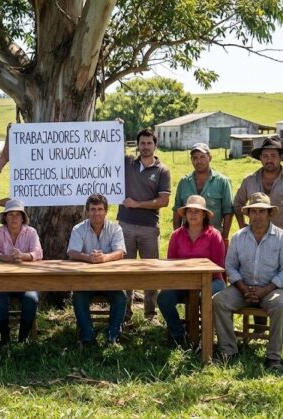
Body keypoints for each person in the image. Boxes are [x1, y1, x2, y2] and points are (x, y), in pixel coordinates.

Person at [232, 136, 283, 342]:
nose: (269, 159)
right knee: (254, 279)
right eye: (265, 155)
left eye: (273, 156)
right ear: (260, 159)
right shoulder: (250, 180)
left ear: (280, 158)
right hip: (254, 240)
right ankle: (259, 331)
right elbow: (237, 203)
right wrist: (243, 228)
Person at [213, 192, 283, 370]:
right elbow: (230, 266)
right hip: (243, 288)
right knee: (218, 301)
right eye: (254, 212)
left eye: (262, 211)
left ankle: (273, 357)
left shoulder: (282, 238)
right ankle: (228, 351)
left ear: (269, 213)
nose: (257, 216)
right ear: (248, 214)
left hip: (271, 289)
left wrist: (265, 290)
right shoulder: (239, 237)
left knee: (281, 305)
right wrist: (242, 288)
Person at [118, 128, 171, 322]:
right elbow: (109, 148)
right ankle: (125, 312)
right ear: (137, 145)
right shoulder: (127, 162)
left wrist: (137, 204)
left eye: (149, 143)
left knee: (151, 269)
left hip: (149, 227)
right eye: (142, 143)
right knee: (125, 270)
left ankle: (150, 313)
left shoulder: (162, 170)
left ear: (155, 145)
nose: (146, 147)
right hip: (125, 224)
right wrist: (117, 129)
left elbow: (164, 201)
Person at [158, 195, 226, 347]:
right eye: (190, 211)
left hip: (212, 280)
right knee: (163, 298)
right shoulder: (176, 235)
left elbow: (218, 265)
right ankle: (178, 334)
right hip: (182, 281)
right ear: (185, 214)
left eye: (197, 211)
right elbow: (172, 263)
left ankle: (205, 338)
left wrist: (198, 280)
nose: (193, 214)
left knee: (204, 296)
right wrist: (185, 280)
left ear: (204, 215)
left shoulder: (214, 235)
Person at [68, 194, 127, 346]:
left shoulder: (115, 228)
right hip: (86, 281)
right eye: (93, 209)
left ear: (106, 211)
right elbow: (72, 252)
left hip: (110, 281)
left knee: (121, 297)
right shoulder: (78, 229)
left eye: (100, 209)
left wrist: (104, 258)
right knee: (78, 297)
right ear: (87, 211)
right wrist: (89, 258)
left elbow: (120, 252)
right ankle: (87, 336)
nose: (96, 213)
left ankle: (113, 336)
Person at [0, 199, 43, 344]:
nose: (14, 218)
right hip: (2, 281)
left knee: (32, 299)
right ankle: (5, 335)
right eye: (10, 214)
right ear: (5, 217)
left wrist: (23, 256)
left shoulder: (31, 232)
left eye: (17, 215)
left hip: (27, 281)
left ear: (23, 218)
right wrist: (8, 258)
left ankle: (22, 337)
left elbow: (38, 253)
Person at [172, 143, 233, 242]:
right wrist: (177, 236)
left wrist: (224, 237)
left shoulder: (222, 181)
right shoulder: (184, 182)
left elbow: (228, 211)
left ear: (210, 158)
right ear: (191, 160)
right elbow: (177, 210)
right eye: (195, 158)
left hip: (213, 239)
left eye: (202, 157)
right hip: (188, 238)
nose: (199, 161)